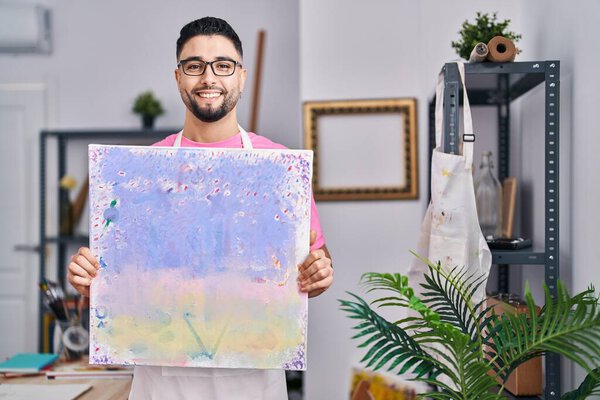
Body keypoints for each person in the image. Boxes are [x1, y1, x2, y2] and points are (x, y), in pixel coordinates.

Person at [67, 16, 333, 400]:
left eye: (223, 65)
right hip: (160, 379)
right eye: (194, 66)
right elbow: (118, 283)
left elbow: (315, 262)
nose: (209, 78)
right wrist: (90, 280)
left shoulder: (280, 167)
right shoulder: (138, 171)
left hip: (253, 378)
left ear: (241, 76)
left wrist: (319, 272)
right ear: (178, 77)